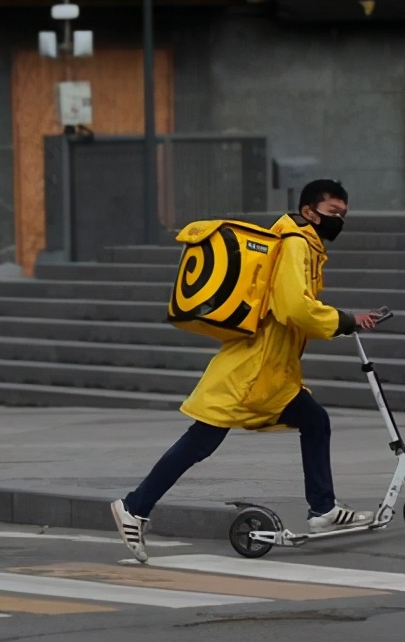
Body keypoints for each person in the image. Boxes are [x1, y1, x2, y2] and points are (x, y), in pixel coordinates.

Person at [110, 179, 380, 563]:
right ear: (309, 211)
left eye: (343, 215)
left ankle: (323, 511)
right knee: (202, 440)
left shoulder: (302, 243)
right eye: (333, 213)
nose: (338, 221)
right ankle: (134, 507)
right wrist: (345, 319)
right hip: (254, 370)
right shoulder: (296, 244)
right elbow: (294, 308)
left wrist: (338, 320)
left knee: (314, 421)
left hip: (271, 370)